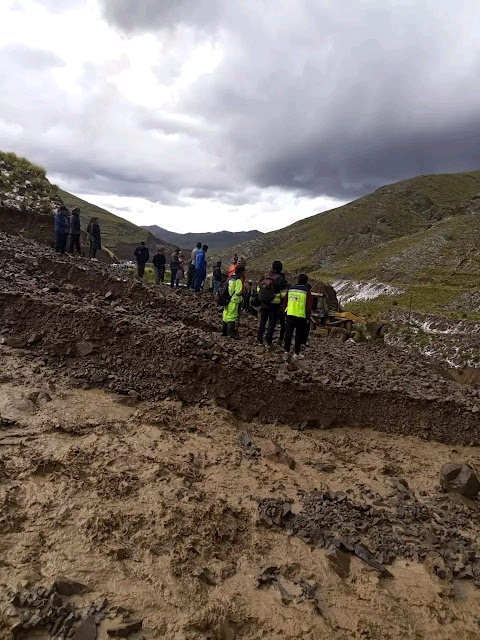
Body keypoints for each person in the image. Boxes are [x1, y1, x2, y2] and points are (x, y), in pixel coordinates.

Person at [257, 260, 287, 348]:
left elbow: (258, 289)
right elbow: (283, 295)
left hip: (263, 303)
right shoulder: (280, 279)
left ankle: (259, 339)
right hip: (274, 305)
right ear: (280, 269)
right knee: (271, 324)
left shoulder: (265, 276)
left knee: (262, 322)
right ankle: (268, 341)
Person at [283, 274, 313, 360]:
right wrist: (308, 317)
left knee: (288, 333)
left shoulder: (291, 289)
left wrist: (284, 312)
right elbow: (308, 306)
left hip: (290, 313)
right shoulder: (307, 291)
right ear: (306, 281)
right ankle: (296, 353)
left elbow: (286, 301)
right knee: (298, 335)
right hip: (300, 316)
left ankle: (286, 351)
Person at [222, 264, 245, 337]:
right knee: (232, 316)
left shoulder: (230, 278)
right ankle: (231, 333)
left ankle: (224, 331)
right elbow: (238, 292)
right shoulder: (238, 280)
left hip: (227, 300)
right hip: (234, 301)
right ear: (241, 272)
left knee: (226, 315)